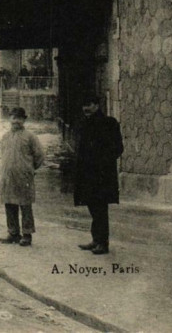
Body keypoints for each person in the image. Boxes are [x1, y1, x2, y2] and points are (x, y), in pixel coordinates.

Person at [74, 95, 123, 255]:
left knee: (100, 208)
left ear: (96, 105)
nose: (85, 108)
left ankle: (103, 243)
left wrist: (102, 162)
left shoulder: (109, 123)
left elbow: (118, 148)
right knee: (92, 206)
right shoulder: (83, 124)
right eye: (83, 105)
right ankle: (96, 240)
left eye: (89, 104)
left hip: (102, 174)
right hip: (87, 174)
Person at [0, 107, 45, 247]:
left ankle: (27, 234)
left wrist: (29, 169)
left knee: (25, 205)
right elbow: (2, 155)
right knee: (9, 204)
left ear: (24, 120)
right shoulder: (5, 137)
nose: (16, 121)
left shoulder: (30, 137)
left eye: (19, 118)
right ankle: (13, 233)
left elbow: (40, 156)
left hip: (24, 177)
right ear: (9, 119)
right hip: (8, 176)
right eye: (14, 117)